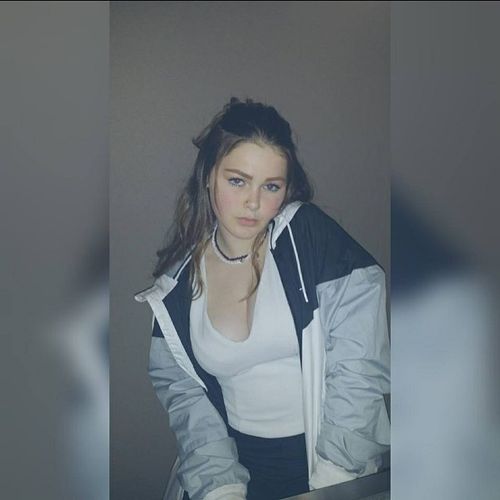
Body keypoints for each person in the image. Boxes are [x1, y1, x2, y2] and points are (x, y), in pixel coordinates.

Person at [135, 98, 390, 500]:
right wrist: (221, 487)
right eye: (238, 181)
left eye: (271, 186)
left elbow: (359, 362)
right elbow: (186, 398)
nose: (253, 203)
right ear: (209, 176)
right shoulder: (175, 291)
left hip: (329, 462)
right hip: (236, 470)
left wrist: (336, 475)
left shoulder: (307, 239)